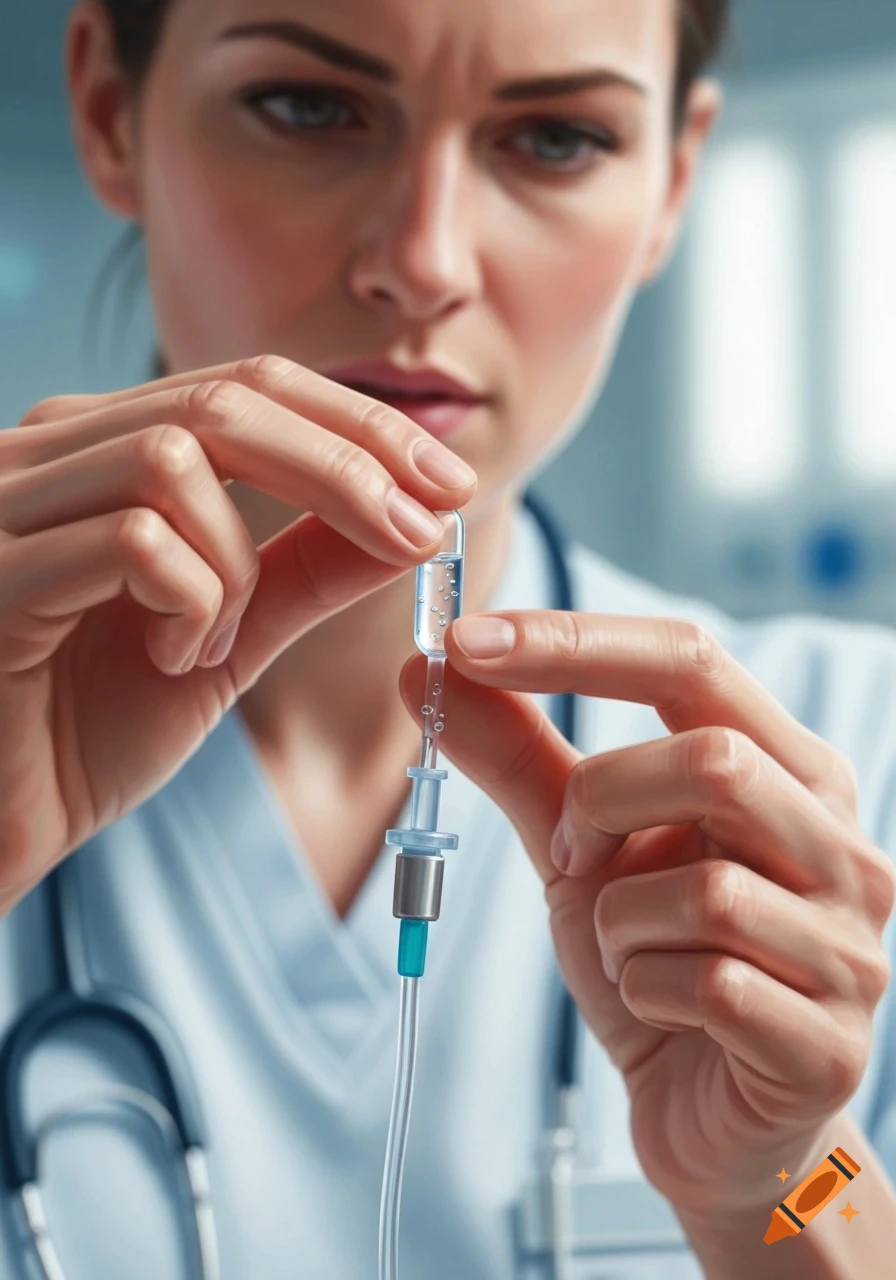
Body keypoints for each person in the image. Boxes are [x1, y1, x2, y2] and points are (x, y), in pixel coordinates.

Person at [2, 0, 896, 1276]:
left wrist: (778, 1178)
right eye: (310, 108)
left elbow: (832, 1210)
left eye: (557, 138)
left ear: (671, 181)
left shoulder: (844, 746)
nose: (423, 263)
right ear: (107, 109)